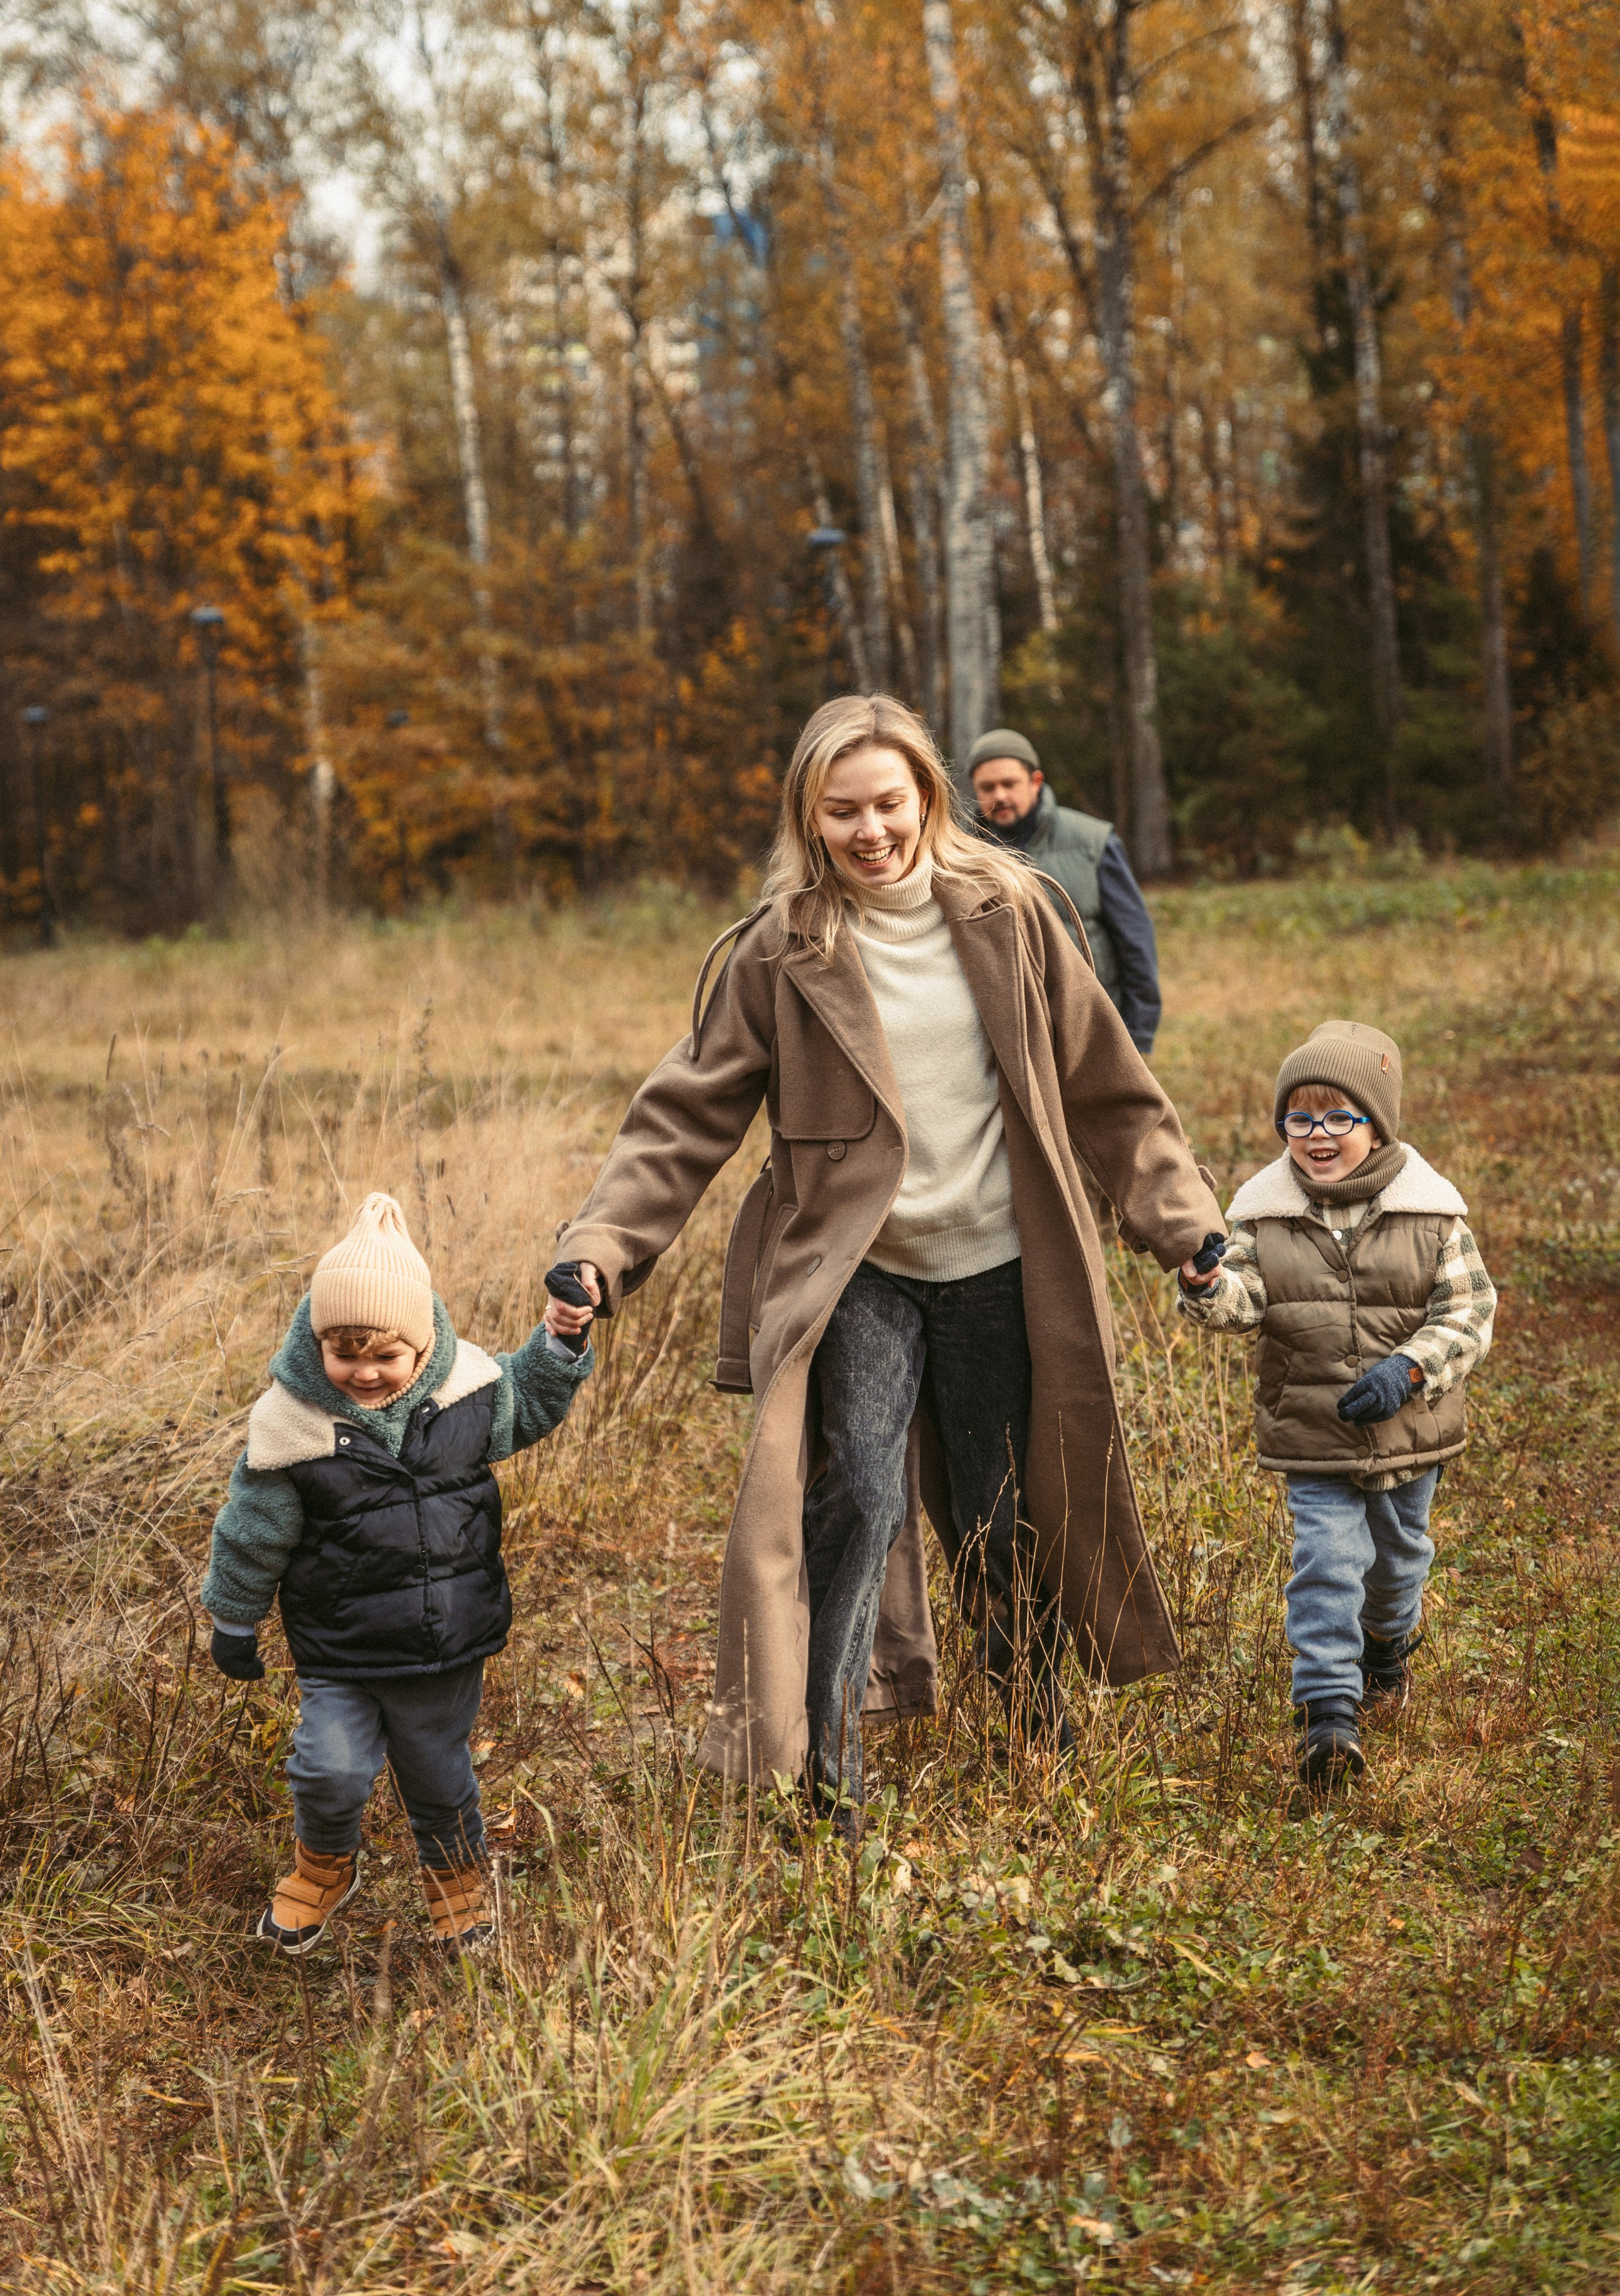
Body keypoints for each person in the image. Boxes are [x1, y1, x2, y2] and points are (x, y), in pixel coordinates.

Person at [551, 694, 1224, 1828]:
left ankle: (1028, 1722)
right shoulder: (779, 949)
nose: (870, 833)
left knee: (999, 1512)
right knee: (857, 1497)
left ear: (929, 800)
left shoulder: (1013, 914)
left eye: (889, 805)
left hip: (1004, 1262)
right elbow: (682, 1117)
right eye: (842, 812)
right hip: (860, 1268)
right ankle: (827, 1762)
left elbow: (1113, 1093)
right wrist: (602, 1245)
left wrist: (1186, 1226)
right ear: (809, 819)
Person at [201, 1192, 594, 1957]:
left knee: (438, 1775)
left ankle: (455, 1882)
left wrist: (561, 1339)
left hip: (443, 1641)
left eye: (386, 1356)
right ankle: (323, 1867)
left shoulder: (468, 1395)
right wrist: (234, 1616)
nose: (367, 1373)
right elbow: (253, 1531)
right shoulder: (293, 1426)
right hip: (340, 1649)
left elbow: (535, 1399)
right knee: (329, 1769)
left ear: (421, 1346)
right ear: (317, 1344)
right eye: (346, 1355)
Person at [1178, 1022, 1495, 1788]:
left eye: (1337, 1119)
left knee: (1395, 1569)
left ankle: (1385, 1647)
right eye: (1299, 1119)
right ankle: (1328, 1713)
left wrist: (1409, 1372)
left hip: (1409, 1432)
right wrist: (1205, 1286)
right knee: (1326, 1563)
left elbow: (1468, 1313)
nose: (1316, 1136)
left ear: (1376, 1124)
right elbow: (1243, 1302)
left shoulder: (1432, 1213)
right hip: (1313, 1435)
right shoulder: (1262, 1213)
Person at [967, 727, 1162, 1054]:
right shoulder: (959, 853)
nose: (999, 795)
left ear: (1035, 782)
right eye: (987, 787)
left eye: (1009, 784)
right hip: (1004, 1043)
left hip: (1092, 1031)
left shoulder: (1092, 842)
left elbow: (1135, 941)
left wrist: (1137, 1035)